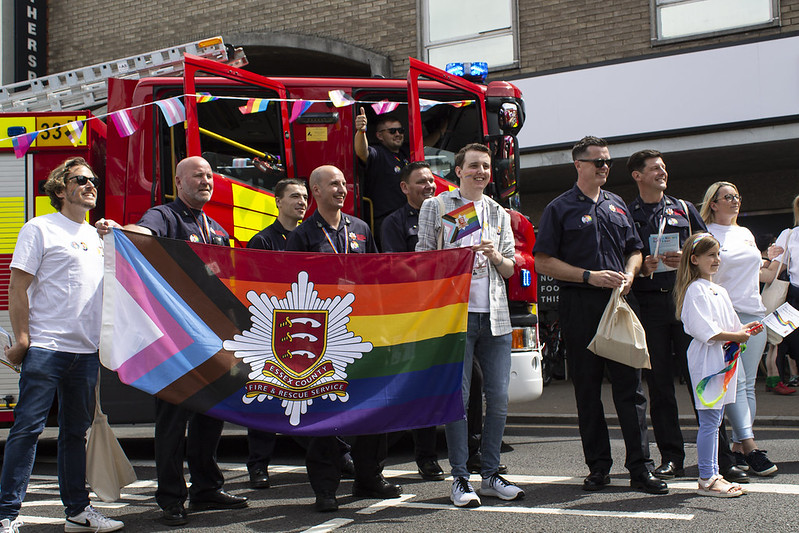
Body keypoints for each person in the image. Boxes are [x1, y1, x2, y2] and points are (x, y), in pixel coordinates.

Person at [97, 156, 248, 526]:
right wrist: (122, 232)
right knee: (172, 422)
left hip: (213, 343)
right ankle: (170, 498)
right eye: (197, 176)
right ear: (178, 181)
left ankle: (206, 487)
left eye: (210, 176)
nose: (206, 181)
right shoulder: (165, 216)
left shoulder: (215, 228)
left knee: (211, 418)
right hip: (176, 346)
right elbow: (143, 234)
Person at [533, 136, 667, 495]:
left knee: (631, 391)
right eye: (597, 162)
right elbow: (542, 260)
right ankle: (598, 468)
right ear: (579, 165)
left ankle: (641, 468)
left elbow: (635, 250)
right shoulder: (559, 208)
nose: (605, 167)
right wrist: (588, 276)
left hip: (620, 304)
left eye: (607, 161)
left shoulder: (618, 204)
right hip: (580, 305)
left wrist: (630, 272)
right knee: (588, 392)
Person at [0, 158, 124, 532]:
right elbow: (17, 286)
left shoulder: (99, 236)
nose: (90, 185)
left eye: (94, 180)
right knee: (27, 429)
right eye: (80, 180)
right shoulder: (40, 228)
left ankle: (78, 512)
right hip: (47, 348)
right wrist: (22, 338)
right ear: (60, 190)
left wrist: (117, 234)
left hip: (86, 353)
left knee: (74, 433)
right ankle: (6, 514)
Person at [286, 165, 401, 512]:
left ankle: (369, 477)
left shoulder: (361, 228)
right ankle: (325, 488)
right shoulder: (303, 235)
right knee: (324, 411)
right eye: (333, 184)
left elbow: (378, 274)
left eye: (344, 184)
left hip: (363, 330)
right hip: (323, 335)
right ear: (315, 191)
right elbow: (292, 287)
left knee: (372, 406)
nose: (341, 189)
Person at [417, 143, 524, 508]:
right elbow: (422, 257)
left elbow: (511, 269)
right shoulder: (437, 205)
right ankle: (460, 478)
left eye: (486, 167)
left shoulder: (498, 212)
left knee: (498, 399)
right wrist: (454, 256)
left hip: (495, 317)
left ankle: (491, 473)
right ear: (458, 171)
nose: (481, 172)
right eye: (474, 166)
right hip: (455, 315)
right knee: (459, 400)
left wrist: (495, 255)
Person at [626, 149, 705, 480]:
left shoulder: (684, 208)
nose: (662, 172)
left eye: (664, 168)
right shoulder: (627, 213)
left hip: (686, 303)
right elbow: (623, 257)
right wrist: (643, 267)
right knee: (659, 387)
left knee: (703, 380)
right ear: (638, 176)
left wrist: (687, 258)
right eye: (655, 168)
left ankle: (720, 454)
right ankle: (671, 456)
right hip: (651, 306)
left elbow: (708, 248)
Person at [700, 181, 778, 476]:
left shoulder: (745, 233)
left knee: (749, 385)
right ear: (714, 203)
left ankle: (736, 450)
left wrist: (776, 259)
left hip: (754, 311)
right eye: (727, 197)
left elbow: (758, 271)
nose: (734, 201)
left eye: (737, 196)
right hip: (726, 314)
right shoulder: (705, 233)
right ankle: (751, 446)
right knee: (737, 383)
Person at [674, 232, 754, 497]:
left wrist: (744, 330)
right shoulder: (695, 290)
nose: (717, 259)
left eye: (718, 254)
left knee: (716, 419)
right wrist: (737, 335)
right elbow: (705, 331)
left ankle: (712, 474)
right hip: (708, 361)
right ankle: (707, 478)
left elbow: (728, 327)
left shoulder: (718, 289)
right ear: (694, 259)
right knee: (710, 421)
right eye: (711, 255)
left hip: (722, 360)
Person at [380, 161, 444, 481]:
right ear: (405, 188)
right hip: (413, 317)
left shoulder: (451, 216)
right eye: (421, 182)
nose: (429, 186)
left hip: (446, 313)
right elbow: (397, 269)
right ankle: (422, 458)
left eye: (431, 180)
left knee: (440, 386)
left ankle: (469, 453)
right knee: (413, 388)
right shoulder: (392, 223)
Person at [244, 178, 309, 488]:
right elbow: (256, 287)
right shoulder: (263, 241)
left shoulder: (310, 237)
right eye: (294, 196)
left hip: (308, 329)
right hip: (272, 331)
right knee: (266, 399)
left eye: (305, 196)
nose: (301, 201)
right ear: (278, 202)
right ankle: (258, 466)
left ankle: (336, 455)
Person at [354, 107, 446, 243]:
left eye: (400, 130)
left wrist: (441, 131)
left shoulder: (404, 153)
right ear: (380, 135)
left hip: (410, 217)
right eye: (392, 131)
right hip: (386, 220)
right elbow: (362, 151)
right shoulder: (377, 153)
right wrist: (361, 132)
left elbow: (424, 144)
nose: (398, 134)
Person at [765, 195, 799, 392]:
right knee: (781, 341)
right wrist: (766, 258)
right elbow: (776, 268)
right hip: (795, 296)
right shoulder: (790, 234)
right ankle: (775, 381)